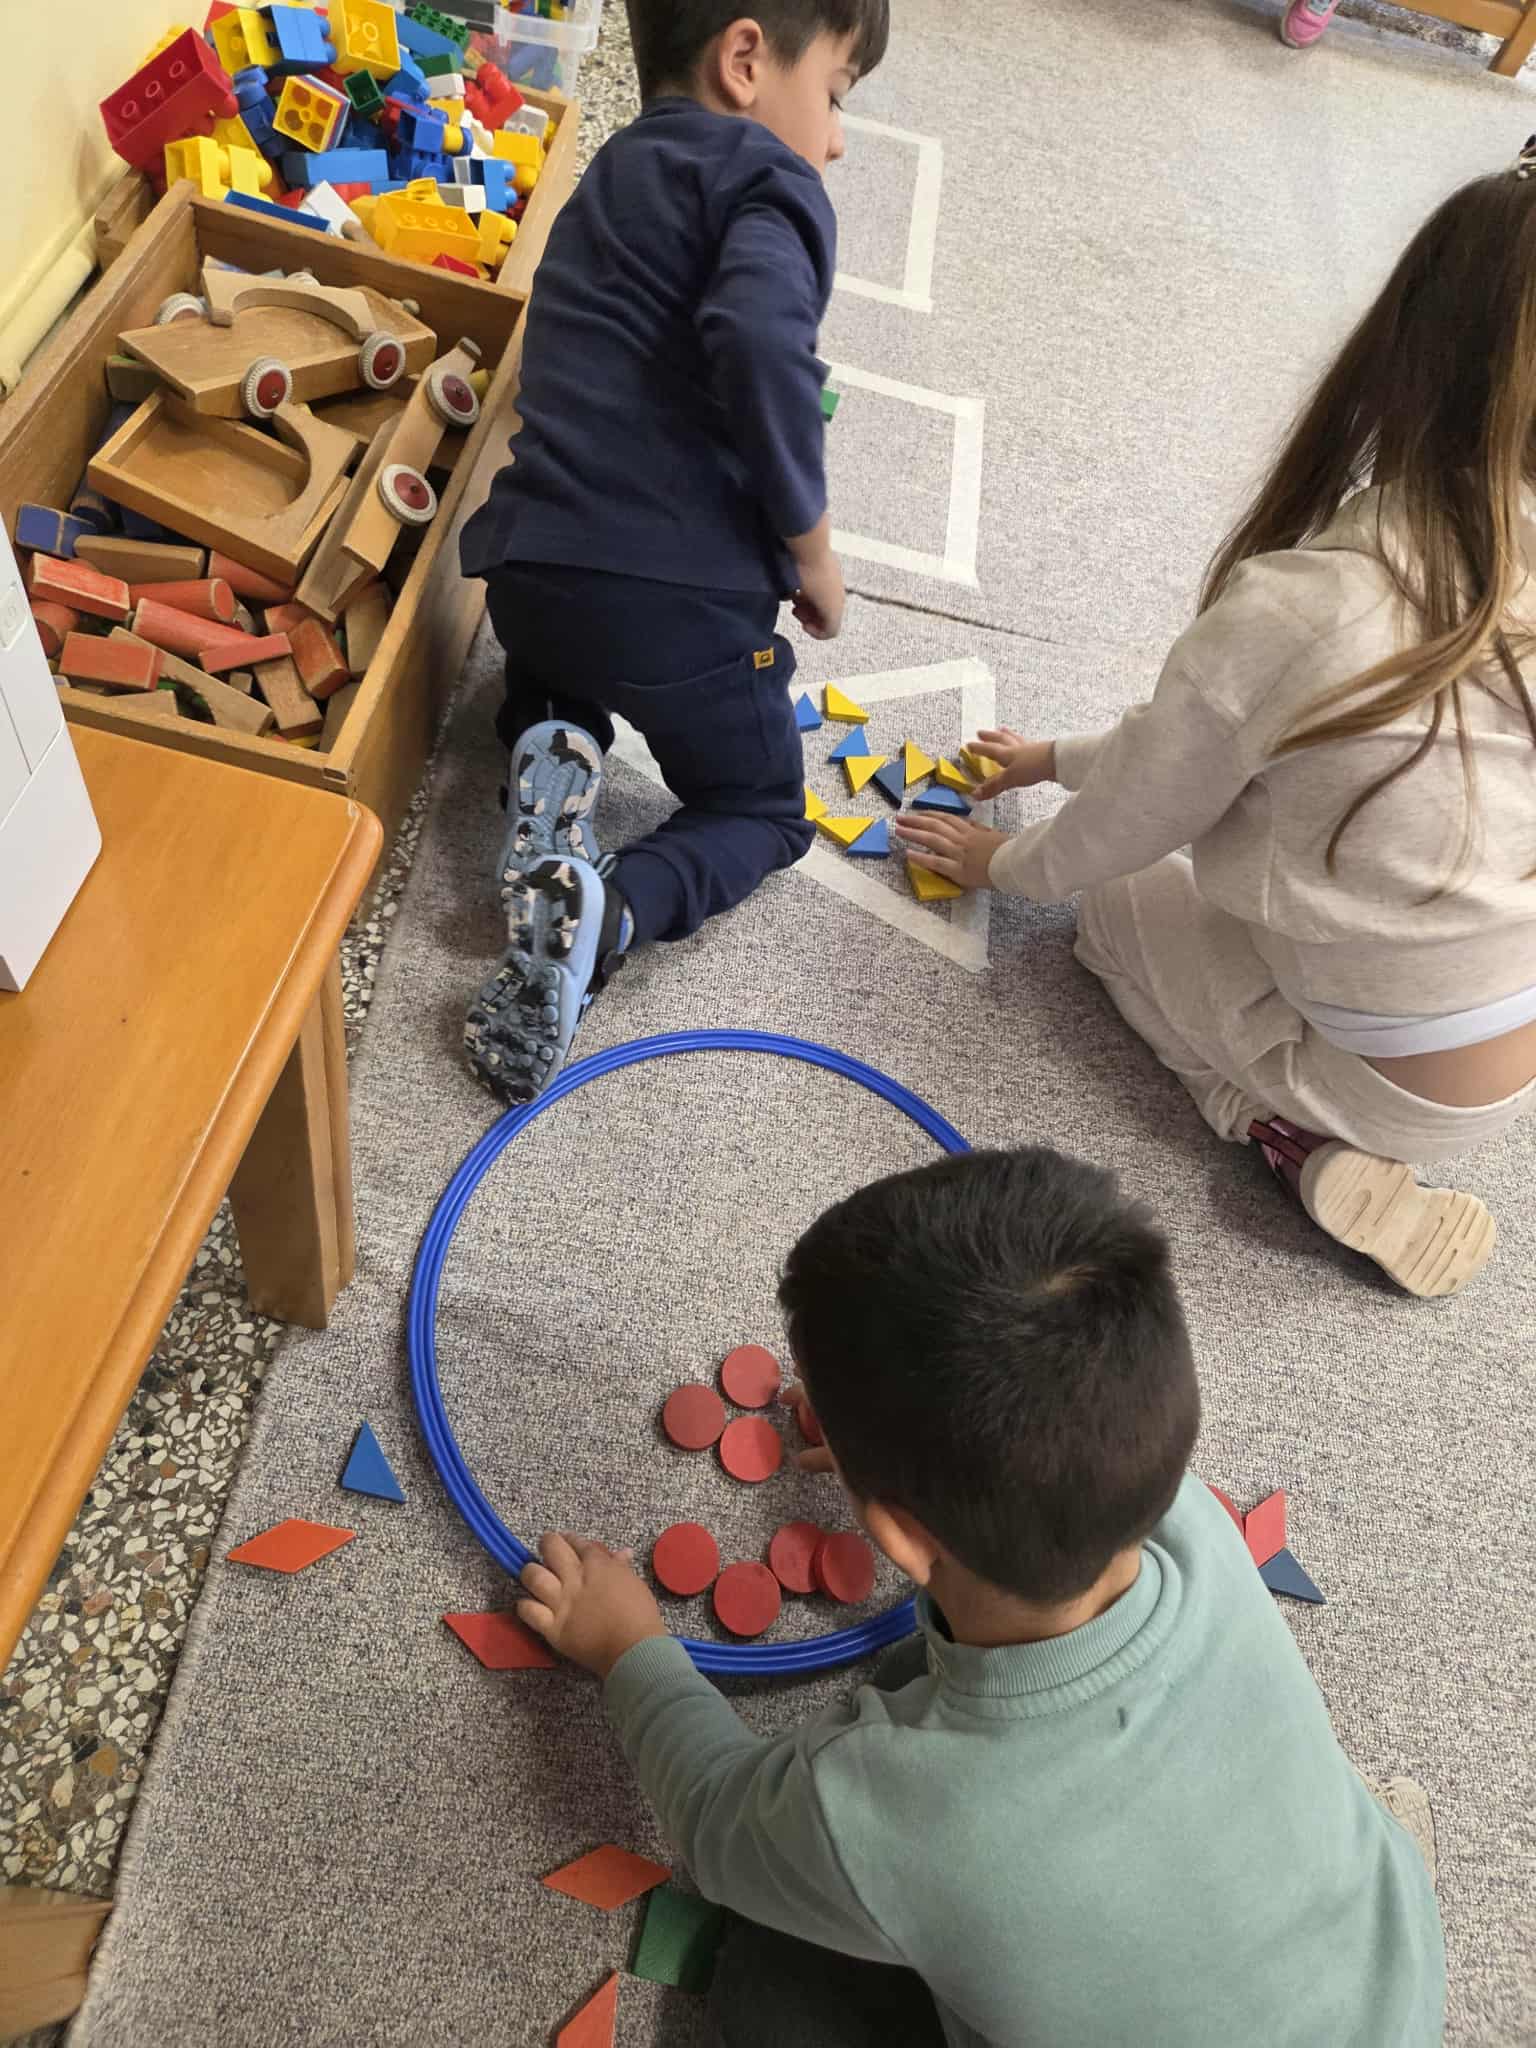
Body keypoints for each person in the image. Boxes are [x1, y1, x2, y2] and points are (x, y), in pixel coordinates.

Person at [515, 1148, 1446, 2047]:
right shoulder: (1193, 1519)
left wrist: (629, 1651)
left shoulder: (885, 1809)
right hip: (1389, 1993)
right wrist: (902, 1456)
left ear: (900, 1537)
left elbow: (717, 1822)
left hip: (1007, 1856)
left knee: (768, 1987)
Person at [897, 157, 1536, 1299]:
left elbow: (1145, 808)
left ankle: (1281, 1134)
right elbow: (1207, 752)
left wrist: (1006, 861)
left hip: (1379, 1079)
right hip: (1511, 1054)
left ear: (1408, 355)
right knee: (1268, 840)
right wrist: (1054, 759)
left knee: (1111, 909)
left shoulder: (1310, 608)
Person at [457, 0, 887, 1101]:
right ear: (745, 60)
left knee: (564, 660)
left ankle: (551, 732)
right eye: (835, 95)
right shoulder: (769, 178)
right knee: (763, 813)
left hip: (531, 568)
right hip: (676, 609)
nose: (837, 140)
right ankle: (609, 909)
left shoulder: (605, 173)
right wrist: (811, 545)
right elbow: (755, 338)